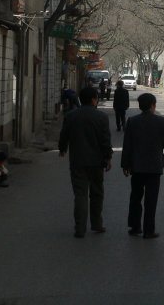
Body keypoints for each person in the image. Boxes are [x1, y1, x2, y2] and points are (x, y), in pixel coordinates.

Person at [58, 86, 113, 238]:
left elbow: (64, 135)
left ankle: (79, 228)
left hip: (78, 161)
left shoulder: (71, 116)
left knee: (80, 194)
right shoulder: (101, 117)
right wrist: (108, 157)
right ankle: (97, 224)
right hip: (97, 162)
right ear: (94, 99)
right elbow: (105, 141)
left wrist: (62, 149)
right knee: (97, 193)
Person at [121, 92, 164, 239]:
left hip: (137, 167)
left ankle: (134, 227)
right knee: (151, 200)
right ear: (153, 105)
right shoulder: (161, 122)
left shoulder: (132, 121)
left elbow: (127, 146)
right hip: (154, 168)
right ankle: (148, 230)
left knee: (136, 198)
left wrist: (125, 165)